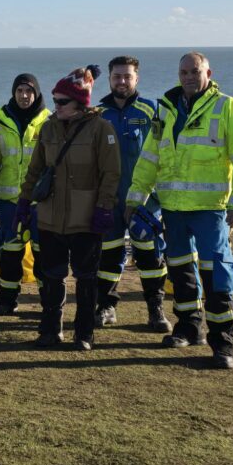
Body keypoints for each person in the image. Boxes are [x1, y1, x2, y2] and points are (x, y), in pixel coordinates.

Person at [126, 52, 233, 370]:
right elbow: (149, 158)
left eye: (195, 71)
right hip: (173, 211)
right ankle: (188, 329)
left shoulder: (229, 108)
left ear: (208, 73)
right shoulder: (166, 110)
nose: (188, 76)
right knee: (181, 273)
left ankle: (223, 343)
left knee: (217, 277)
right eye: (183, 72)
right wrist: (135, 199)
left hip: (211, 211)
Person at [17, 67, 121, 351]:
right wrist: (24, 201)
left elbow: (111, 174)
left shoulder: (102, 129)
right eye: (55, 100)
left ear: (80, 102)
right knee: (51, 276)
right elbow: (35, 169)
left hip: (85, 218)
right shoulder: (48, 128)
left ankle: (84, 334)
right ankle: (51, 330)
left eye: (62, 101)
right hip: (51, 217)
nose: (56, 106)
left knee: (86, 279)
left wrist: (104, 208)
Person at [95, 56, 171, 332]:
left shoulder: (153, 110)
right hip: (109, 199)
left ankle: (155, 309)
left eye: (127, 76)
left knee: (150, 257)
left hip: (145, 201)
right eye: (117, 76)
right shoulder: (98, 113)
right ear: (109, 79)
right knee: (108, 255)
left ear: (137, 78)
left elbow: (167, 154)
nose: (122, 81)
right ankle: (107, 306)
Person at [0, 73, 50, 315]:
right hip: (10, 202)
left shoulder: (50, 121)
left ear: (37, 94)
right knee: (10, 253)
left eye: (29, 91)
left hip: (40, 202)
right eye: (20, 91)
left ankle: (48, 302)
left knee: (42, 254)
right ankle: (7, 300)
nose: (24, 96)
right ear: (13, 93)